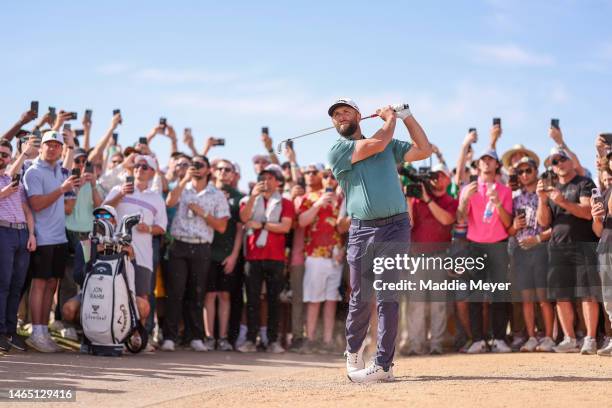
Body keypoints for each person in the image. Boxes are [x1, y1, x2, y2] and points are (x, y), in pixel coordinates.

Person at [327, 98, 432, 383]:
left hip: (395, 227)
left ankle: (384, 364)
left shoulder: (388, 143)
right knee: (361, 297)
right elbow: (375, 145)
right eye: (336, 115)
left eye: (346, 111)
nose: (341, 116)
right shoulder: (338, 150)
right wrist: (390, 119)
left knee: (388, 297)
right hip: (361, 230)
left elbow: (424, 150)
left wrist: (407, 116)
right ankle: (353, 351)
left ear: (359, 116)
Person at [162, 155, 229, 352]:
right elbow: (169, 202)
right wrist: (183, 179)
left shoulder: (216, 194)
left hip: (201, 247)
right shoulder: (181, 187)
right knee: (175, 292)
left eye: (200, 165)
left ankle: (196, 337)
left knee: (197, 292)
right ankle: (169, 337)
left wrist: (203, 213)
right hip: (180, 245)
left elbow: (222, 226)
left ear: (209, 169)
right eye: (193, 165)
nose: (196, 168)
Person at [536, 146, 600, 354]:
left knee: (587, 293)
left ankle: (590, 338)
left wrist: (562, 201)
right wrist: (542, 200)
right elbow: (544, 222)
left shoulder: (583, 183)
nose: (559, 164)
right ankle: (569, 338)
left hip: (582, 245)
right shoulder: (551, 188)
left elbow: (587, 213)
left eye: (562, 159)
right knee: (561, 295)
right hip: (557, 248)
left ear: (571, 161)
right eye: (554, 162)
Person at [103, 155, 167, 351]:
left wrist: (148, 228)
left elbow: (162, 227)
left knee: (142, 298)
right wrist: (120, 194)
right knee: (116, 295)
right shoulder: (118, 188)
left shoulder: (156, 197)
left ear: (152, 172)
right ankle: (115, 336)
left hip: (144, 257)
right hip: (117, 255)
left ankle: (138, 337)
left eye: (145, 166)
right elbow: (104, 213)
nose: (139, 168)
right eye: (137, 165)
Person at [23, 130, 79, 352]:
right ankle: (36, 332)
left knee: (52, 284)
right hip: (42, 237)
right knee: (39, 284)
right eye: (49, 144)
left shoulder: (59, 170)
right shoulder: (34, 171)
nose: (53, 148)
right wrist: (62, 190)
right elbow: (36, 204)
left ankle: (43, 331)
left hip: (59, 237)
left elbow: (65, 204)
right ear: (42, 146)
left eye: (57, 145)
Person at [457, 147, 513, 354]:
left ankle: (499, 338)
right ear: (478, 164)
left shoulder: (505, 190)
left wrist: (498, 203)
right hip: (475, 245)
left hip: (499, 244)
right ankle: (478, 340)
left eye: (491, 160)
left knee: (499, 293)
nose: (487, 163)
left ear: (497, 164)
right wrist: (464, 200)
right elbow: (460, 219)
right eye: (483, 160)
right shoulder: (469, 188)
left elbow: (508, 223)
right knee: (475, 294)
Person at [238, 165, 294, 353]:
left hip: (275, 257)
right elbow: (244, 218)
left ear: (278, 182)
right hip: (253, 256)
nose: (266, 181)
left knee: (273, 300)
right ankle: (250, 340)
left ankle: (272, 340)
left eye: (270, 178)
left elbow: (285, 227)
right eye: (263, 178)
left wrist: (261, 224)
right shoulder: (249, 199)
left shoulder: (285, 202)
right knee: (252, 299)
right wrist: (253, 196)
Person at [403, 164, 457, 355]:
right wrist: (410, 202)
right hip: (416, 257)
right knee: (416, 303)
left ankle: (436, 344)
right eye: (433, 175)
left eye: (440, 175)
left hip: (439, 257)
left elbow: (446, 220)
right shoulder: (417, 201)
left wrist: (427, 199)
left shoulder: (450, 200)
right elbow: (408, 225)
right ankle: (416, 344)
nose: (435, 178)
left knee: (438, 303)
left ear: (447, 179)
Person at [506, 157, 555, 352]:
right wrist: (514, 226)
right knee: (527, 298)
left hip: (540, 248)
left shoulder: (546, 194)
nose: (524, 175)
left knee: (543, 297)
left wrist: (536, 239)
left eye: (528, 170)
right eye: (520, 172)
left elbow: (550, 226)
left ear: (536, 171)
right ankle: (532, 337)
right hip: (521, 251)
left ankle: (549, 337)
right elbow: (509, 231)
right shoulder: (515, 199)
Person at [297, 167, 344, 353]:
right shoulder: (310, 197)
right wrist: (319, 204)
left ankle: (327, 341)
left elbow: (346, 229)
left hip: (335, 257)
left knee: (331, 300)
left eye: (333, 176)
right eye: (326, 176)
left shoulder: (344, 199)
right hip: (315, 256)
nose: (330, 179)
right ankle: (310, 340)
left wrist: (345, 250)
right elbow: (301, 222)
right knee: (314, 300)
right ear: (321, 178)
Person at [0, 139, 36, 353]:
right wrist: (3, 193)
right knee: (3, 284)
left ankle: (11, 331)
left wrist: (31, 234)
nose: (2, 158)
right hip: (3, 231)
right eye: (0, 154)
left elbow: (27, 210)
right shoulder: (8, 180)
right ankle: (1, 331)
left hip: (22, 232)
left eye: (5, 154)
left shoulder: (16, 179)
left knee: (17, 285)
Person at [204, 159, 243, 351]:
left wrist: (234, 255)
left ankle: (224, 338)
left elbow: (239, 229)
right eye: (220, 169)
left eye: (228, 169)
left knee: (225, 296)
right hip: (207, 252)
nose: (224, 172)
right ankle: (210, 337)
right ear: (213, 171)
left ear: (233, 174)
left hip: (228, 254)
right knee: (209, 295)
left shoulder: (238, 197)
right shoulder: (206, 193)